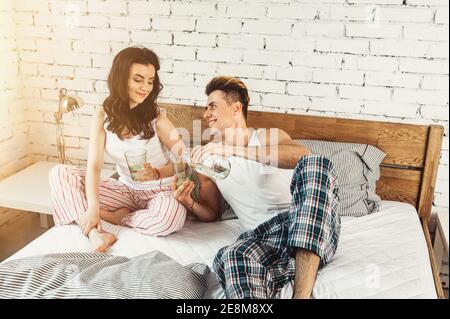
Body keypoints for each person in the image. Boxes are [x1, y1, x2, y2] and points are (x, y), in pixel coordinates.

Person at [49, 47, 220, 252]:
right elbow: (93, 167)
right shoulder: (102, 115)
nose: (145, 88)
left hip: (159, 192)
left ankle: (120, 217)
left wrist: (157, 173)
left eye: (150, 81)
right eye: (138, 79)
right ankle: (95, 234)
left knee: (171, 218)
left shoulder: (156, 115)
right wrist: (93, 207)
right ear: (121, 78)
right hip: (125, 190)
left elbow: (184, 158)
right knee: (59, 173)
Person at [189, 76, 341, 299]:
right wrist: (190, 203)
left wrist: (232, 150)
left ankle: (301, 296)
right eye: (205, 107)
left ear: (236, 108)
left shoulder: (268, 136)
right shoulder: (209, 158)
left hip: (308, 225)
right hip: (264, 240)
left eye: (212, 106)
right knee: (233, 255)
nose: (206, 113)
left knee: (316, 165)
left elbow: (303, 157)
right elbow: (212, 213)